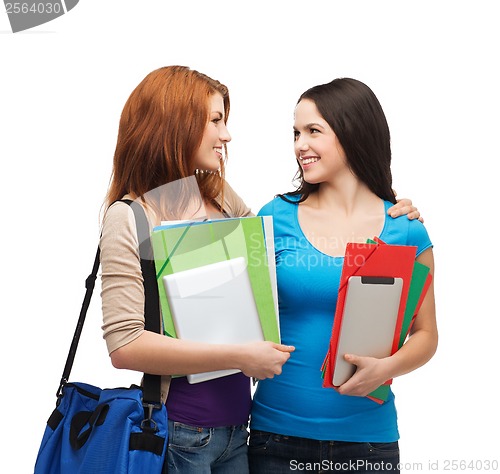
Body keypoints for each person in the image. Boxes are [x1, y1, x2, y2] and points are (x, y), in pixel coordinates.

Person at [100, 66, 422, 473]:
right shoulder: (130, 217)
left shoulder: (219, 198)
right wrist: (240, 355)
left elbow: (289, 251)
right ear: (175, 124)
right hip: (180, 431)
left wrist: (389, 211)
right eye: (215, 121)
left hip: (240, 431)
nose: (226, 135)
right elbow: (124, 344)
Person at [248, 78, 438, 474]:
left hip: (368, 444)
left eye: (314, 131)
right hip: (275, 439)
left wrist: (386, 369)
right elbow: (243, 315)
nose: (300, 144)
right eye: (296, 132)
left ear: (352, 133)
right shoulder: (272, 217)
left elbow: (426, 335)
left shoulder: (406, 230)